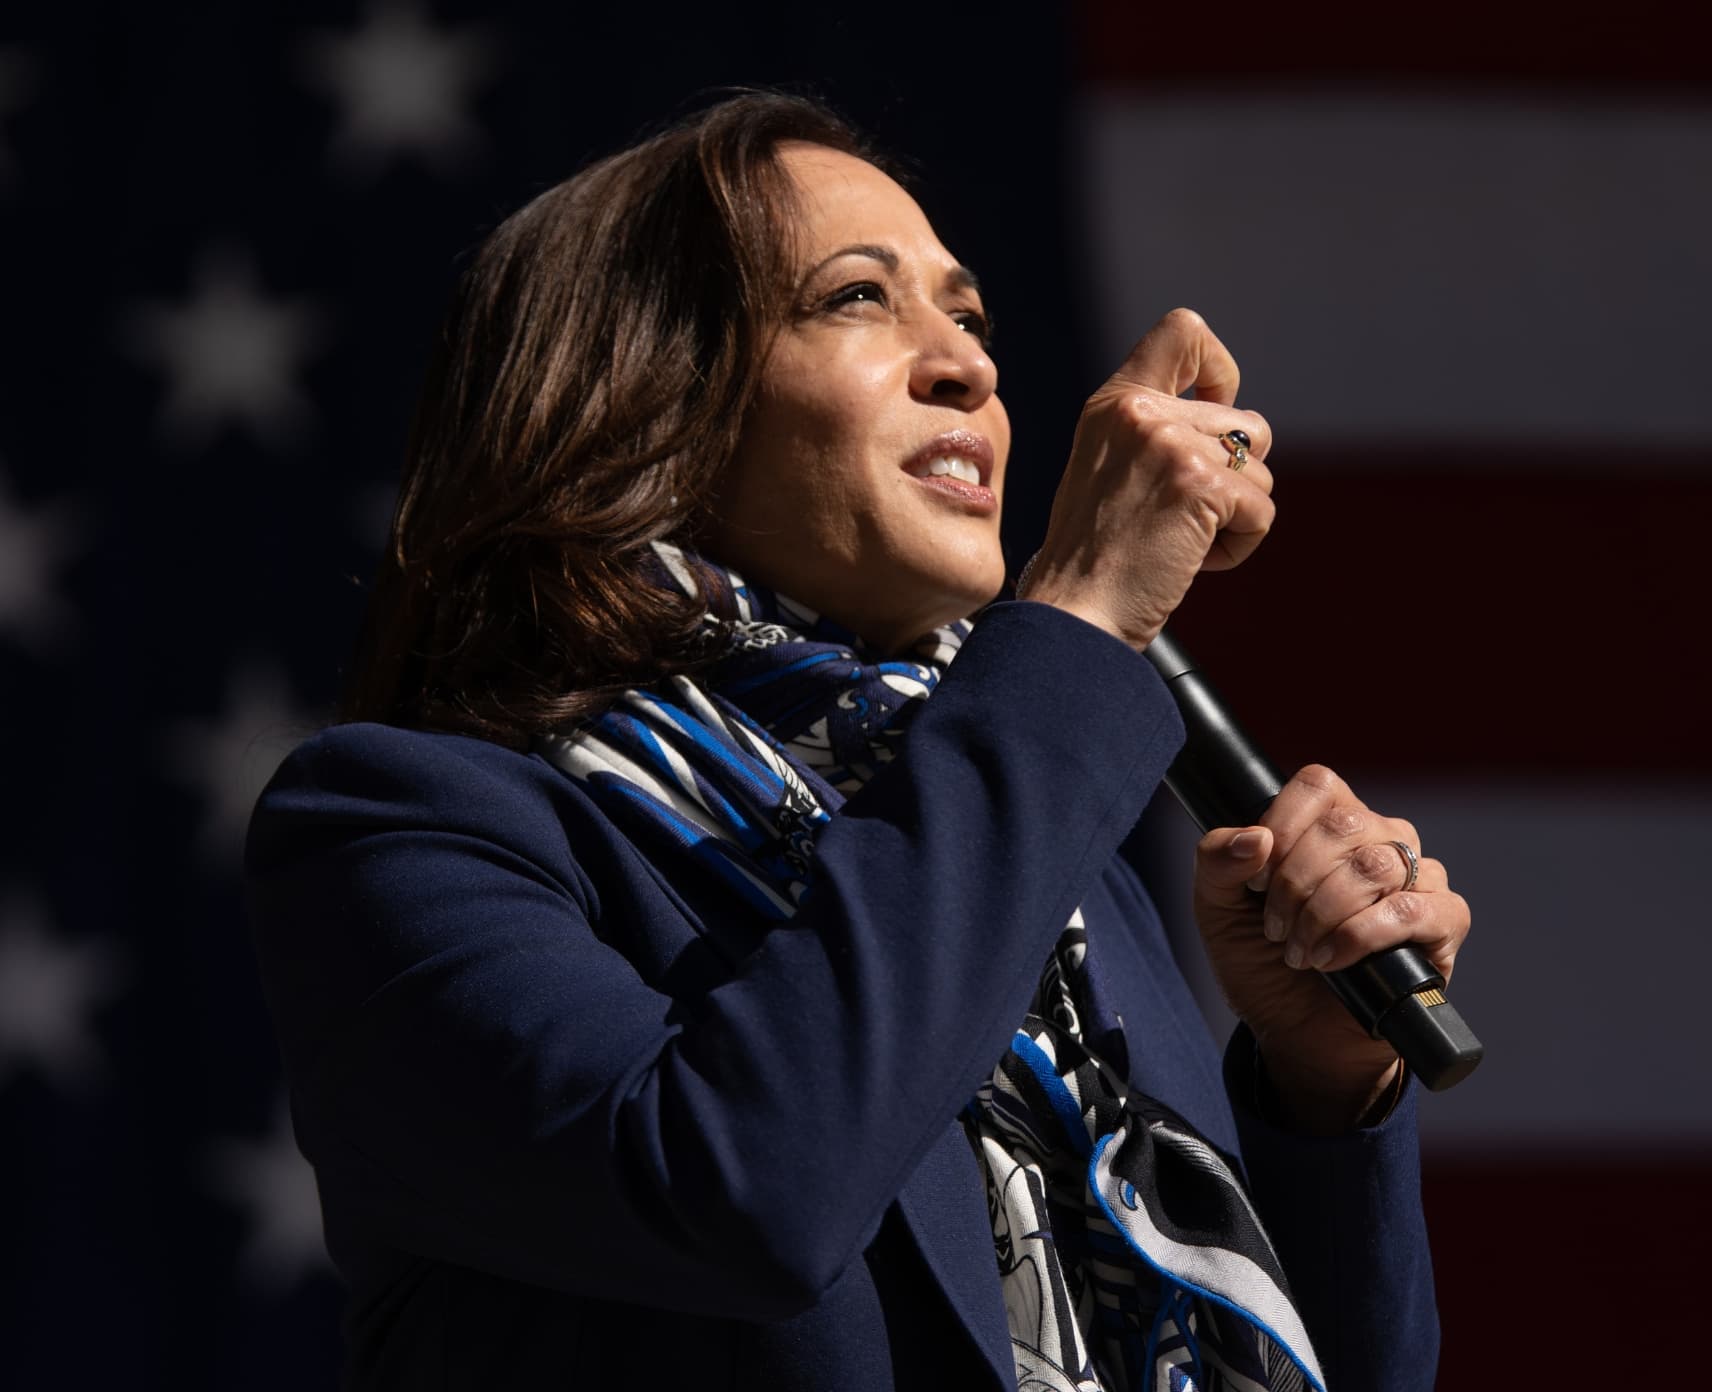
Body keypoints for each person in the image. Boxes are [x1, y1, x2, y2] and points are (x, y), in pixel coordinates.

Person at [246, 92, 1469, 1391]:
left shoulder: (1049, 863)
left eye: (972, 317)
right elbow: (741, 1192)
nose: (969, 368)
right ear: (637, 393)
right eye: (855, 299)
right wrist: (1076, 612)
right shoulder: (397, 829)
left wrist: (1319, 1090)